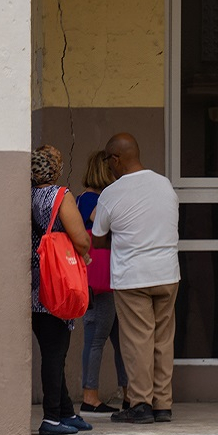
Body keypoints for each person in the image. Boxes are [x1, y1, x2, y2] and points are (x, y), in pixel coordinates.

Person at [92, 133, 181, 424]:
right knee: (163, 340)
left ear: (116, 159)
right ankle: (162, 405)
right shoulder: (164, 184)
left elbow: (99, 239)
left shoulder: (112, 193)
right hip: (168, 273)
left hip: (133, 277)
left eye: (109, 161)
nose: (109, 167)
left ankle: (141, 403)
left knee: (138, 341)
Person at [30, 145, 92, 435]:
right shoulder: (59, 195)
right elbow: (81, 239)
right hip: (58, 281)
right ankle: (51, 418)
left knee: (52, 348)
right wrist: (86, 252)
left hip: (35, 282)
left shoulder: (26, 195)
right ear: (54, 168)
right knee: (55, 353)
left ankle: (66, 411)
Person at [77, 150, 128, 413]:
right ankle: (90, 396)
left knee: (121, 340)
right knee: (96, 338)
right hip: (99, 281)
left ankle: (127, 390)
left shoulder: (89, 199)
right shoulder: (89, 201)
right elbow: (109, 226)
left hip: (108, 279)